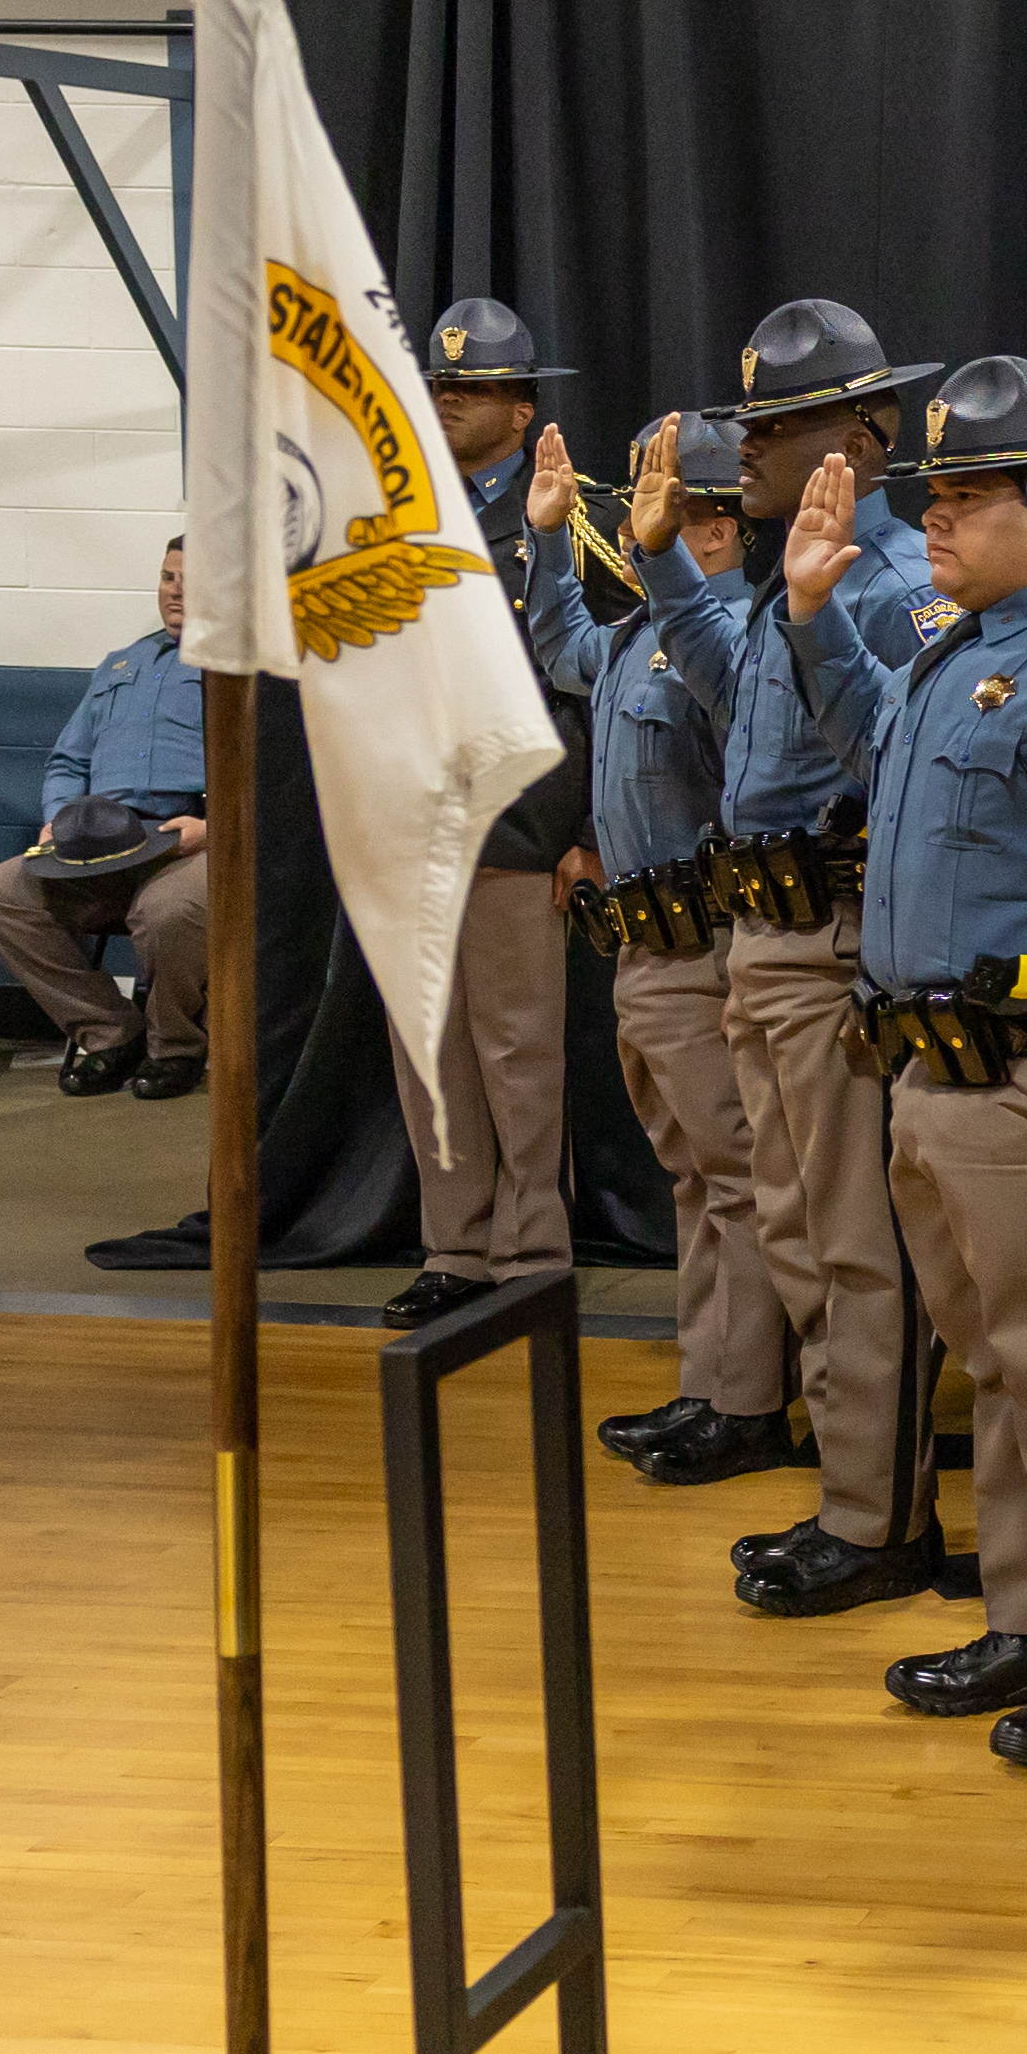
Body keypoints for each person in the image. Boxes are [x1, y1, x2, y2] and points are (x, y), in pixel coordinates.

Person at [761, 362, 1027, 1749]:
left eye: (971, 495)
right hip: (926, 1074)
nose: (935, 520)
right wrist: (813, 614)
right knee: (995, 1365)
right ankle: (1026, 1616)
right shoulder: (950, 644)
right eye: (932, 493)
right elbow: (873, 747)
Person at [640, 299, 950, 1620]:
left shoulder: (889, 583)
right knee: (798, 1229)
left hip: (829, 937)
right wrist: (664, 565)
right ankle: (848, 1492)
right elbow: (720, 684)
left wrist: (818, 604)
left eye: (775, 423)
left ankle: (880, 1520)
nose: (743, 446)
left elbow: (904, 754)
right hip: (759, 933)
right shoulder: (792, 578)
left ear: (860, 435)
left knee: (850, 1238)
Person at [532, 410, 798, 1488]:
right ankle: (711, 1382)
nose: (639, 530)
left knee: (734, 1177)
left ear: (721, 531)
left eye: (666, 514)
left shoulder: (731, 639)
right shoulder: (647, 630)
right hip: (646, 950)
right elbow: (562, 650)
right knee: (696, 1177)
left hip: (708, 941)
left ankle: (749, 1402)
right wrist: (550, 539)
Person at [398, 303, 598, 1327]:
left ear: (522, 408)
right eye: (438, 384)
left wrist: (591, 833)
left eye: (468, 389)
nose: (444, 400)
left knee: (517, 1051)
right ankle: (453, 1246)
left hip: (519, 827)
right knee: (430, 1051)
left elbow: (603, 686)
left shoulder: (562, 518)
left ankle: (529, 1251)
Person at [0, 537, 215, 1095]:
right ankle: (111, 1032)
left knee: (166, 911)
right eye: (169, 576)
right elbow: (68, 760)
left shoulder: (244, 668)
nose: (176, 590)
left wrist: (215, 828)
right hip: (101, 840)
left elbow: (269, 772)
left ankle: (176, 1045)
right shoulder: (118, 665)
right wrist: (58, 817)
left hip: (188, 838)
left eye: (192, 578)